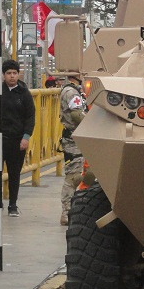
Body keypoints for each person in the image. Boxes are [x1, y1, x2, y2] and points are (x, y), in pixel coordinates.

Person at [0, 60, 36, 217]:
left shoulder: (24, 93)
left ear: (18, 74)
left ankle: (13, 204)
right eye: (9, 73)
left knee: (14, 172)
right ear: (3, 75)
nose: (12, 76)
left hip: (17, 139)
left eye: (14, 73)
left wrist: (26, 137)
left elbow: (30, 116)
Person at [59, 74, 86, 226]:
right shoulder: (71, 92)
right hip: (73, 140)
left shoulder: (75, 90)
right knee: (74, 175)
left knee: (85, 173)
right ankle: (66, 211)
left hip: (77, 138)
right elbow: (76, 114)